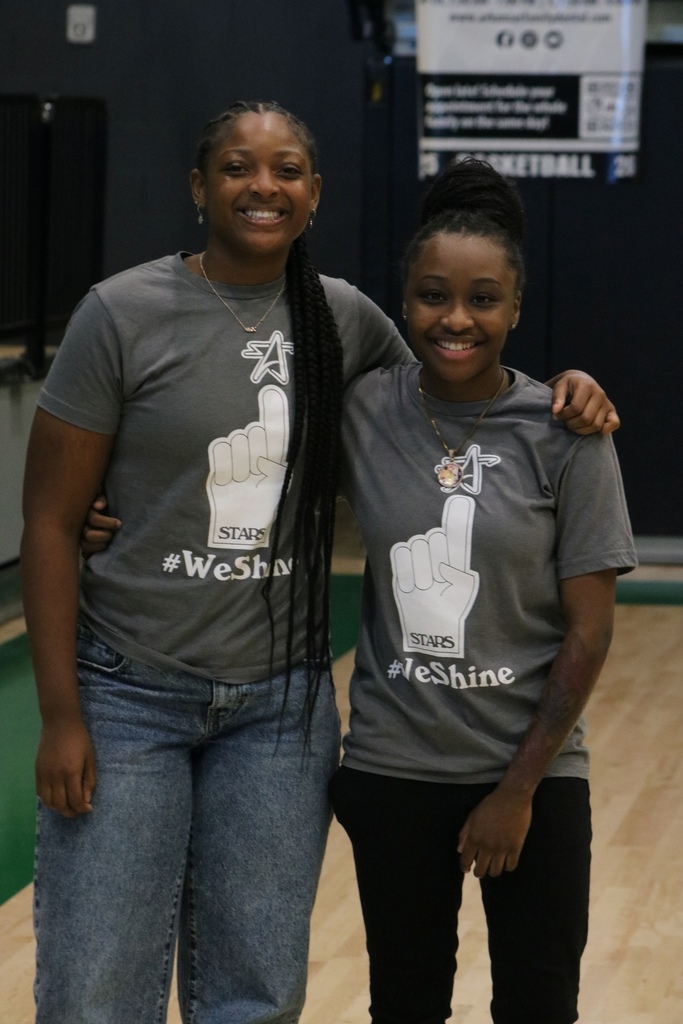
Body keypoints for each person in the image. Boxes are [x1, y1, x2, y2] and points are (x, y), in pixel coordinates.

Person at [21, 98, 619, 1024]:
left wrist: (569, 391)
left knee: (256, 993)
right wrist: (63, 711)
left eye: (287, 169)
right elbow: (50, 522)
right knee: (96, 987)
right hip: (129, 692)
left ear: (314, 193)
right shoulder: (121, 311)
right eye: (237, 166)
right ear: (196, 186)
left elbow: (457, 380)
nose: (262, 185)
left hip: (279, 706)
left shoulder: (343, 318)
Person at [329, 159, 637, 1024]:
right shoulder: (362, 410)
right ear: (403, 301)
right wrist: (102, 514)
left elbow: (589, 633)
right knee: (405, 1003)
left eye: (483, 299)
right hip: (394, 769)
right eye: (433, 296)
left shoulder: (568, 433)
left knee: (539, 1005)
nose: (456, 319)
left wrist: (516, 791)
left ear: (515, 308)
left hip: (533, 775)